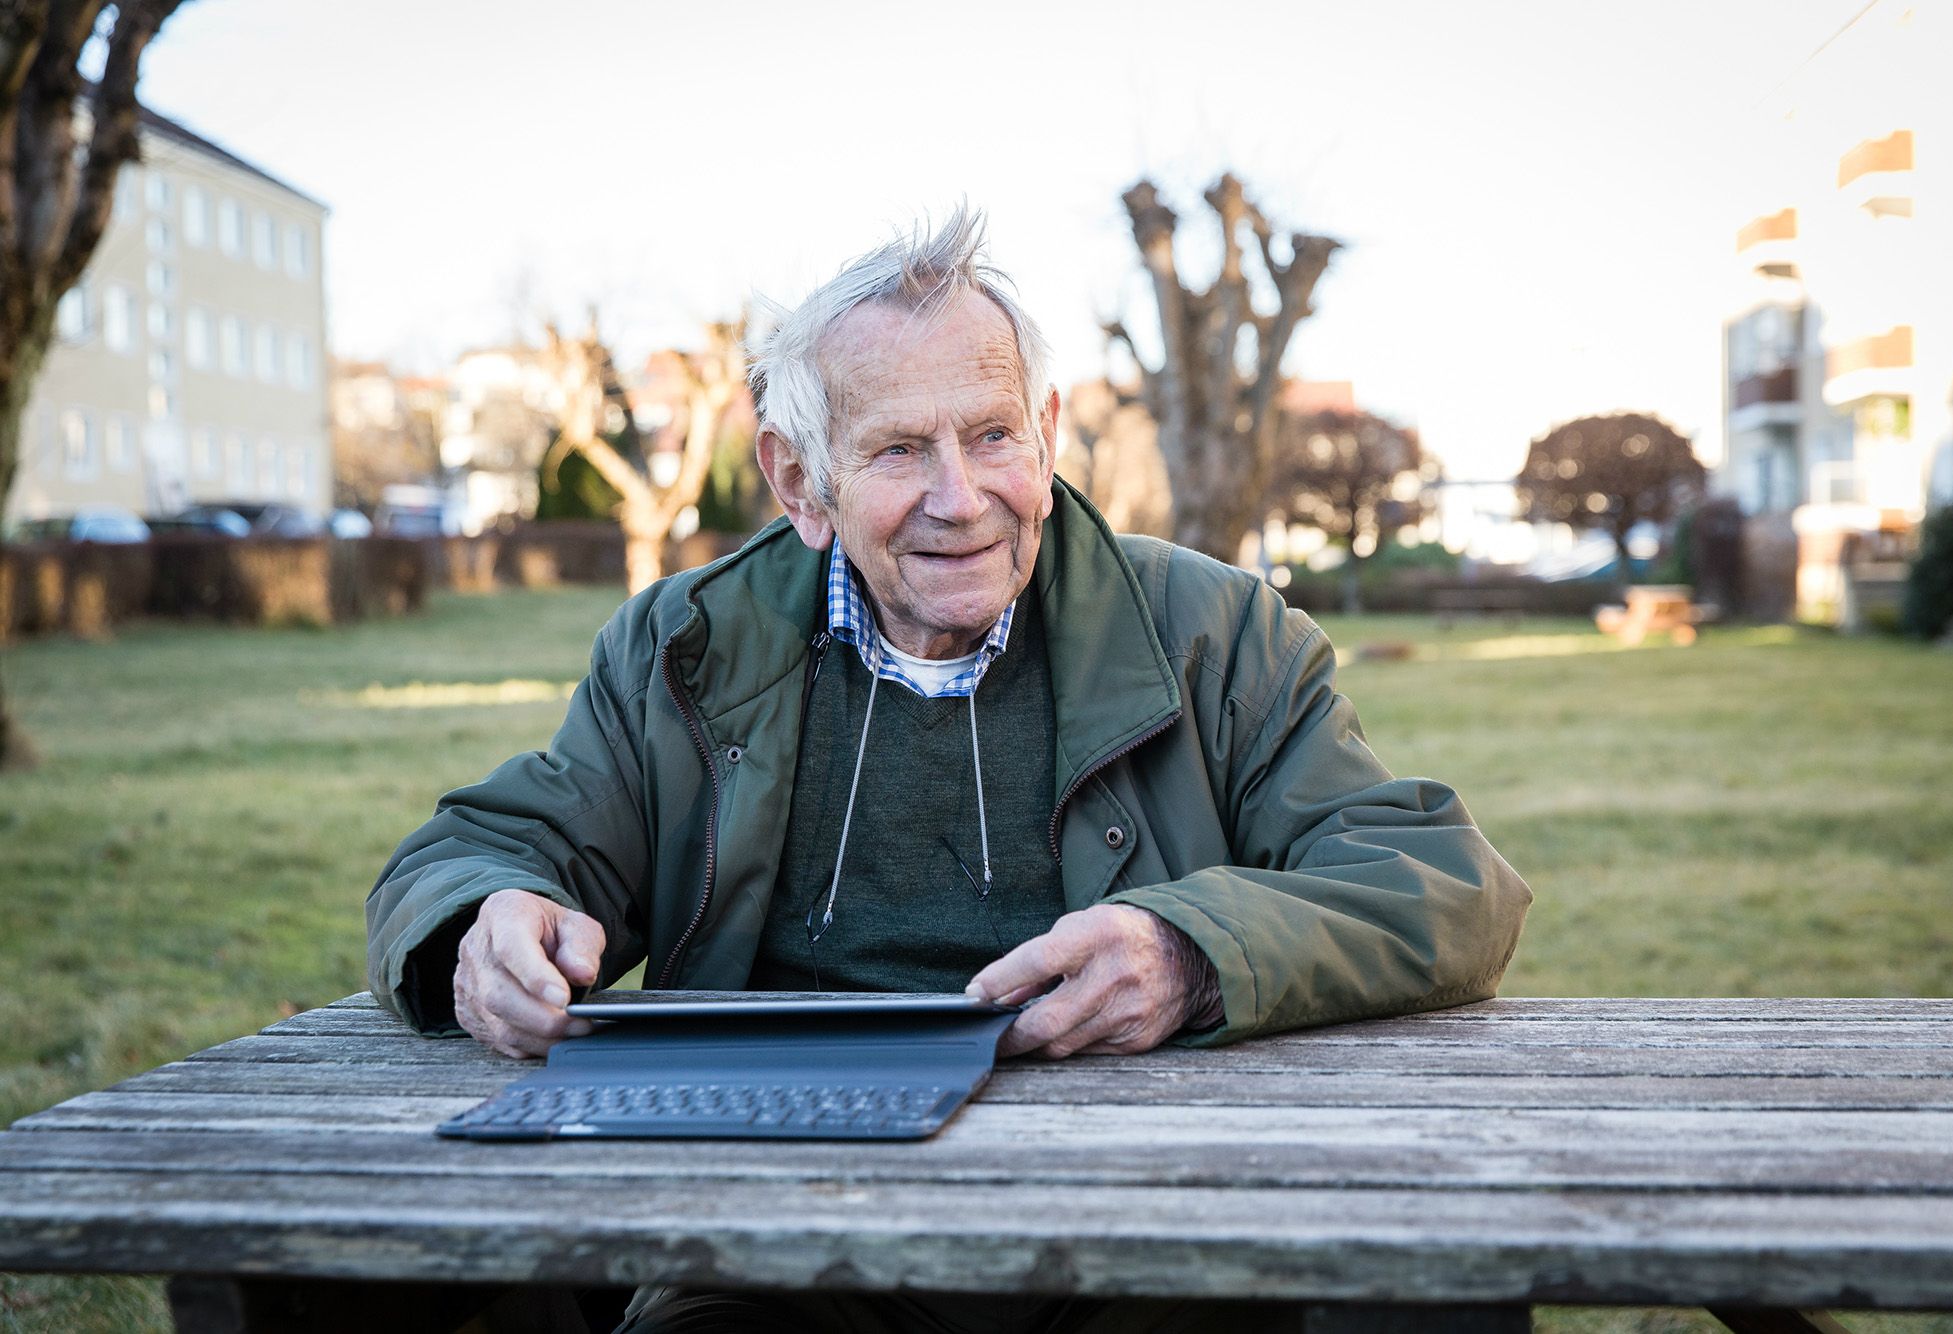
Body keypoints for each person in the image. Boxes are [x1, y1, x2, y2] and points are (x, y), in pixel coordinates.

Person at [364, 209, 1531, 1330]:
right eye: (897, 449)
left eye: (990, 435)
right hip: (781, 1245)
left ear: (1047, 432)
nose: (959, 498)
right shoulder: (685, 645)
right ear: (798, 480)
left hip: (1152, 1231)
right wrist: (484, 919)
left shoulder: (1216, 633)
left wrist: (1191, 951)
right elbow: (482, 850)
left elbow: (1441, 883)